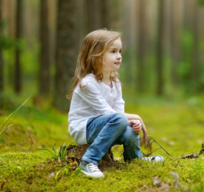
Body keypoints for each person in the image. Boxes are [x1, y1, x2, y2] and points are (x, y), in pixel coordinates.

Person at [67, 29, 164, 178]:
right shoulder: (87, 83)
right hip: (83, 129)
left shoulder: (115, 83)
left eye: (120, 51)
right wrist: (135, 116)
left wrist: (132, 122)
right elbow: (110, 113)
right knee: (121, 119)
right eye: (112, 51)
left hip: (107, 124)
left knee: (129, 128)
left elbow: (119, 113)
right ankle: (88, 161)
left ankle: (135, 160)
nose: (119, 56)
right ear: (95, 55)